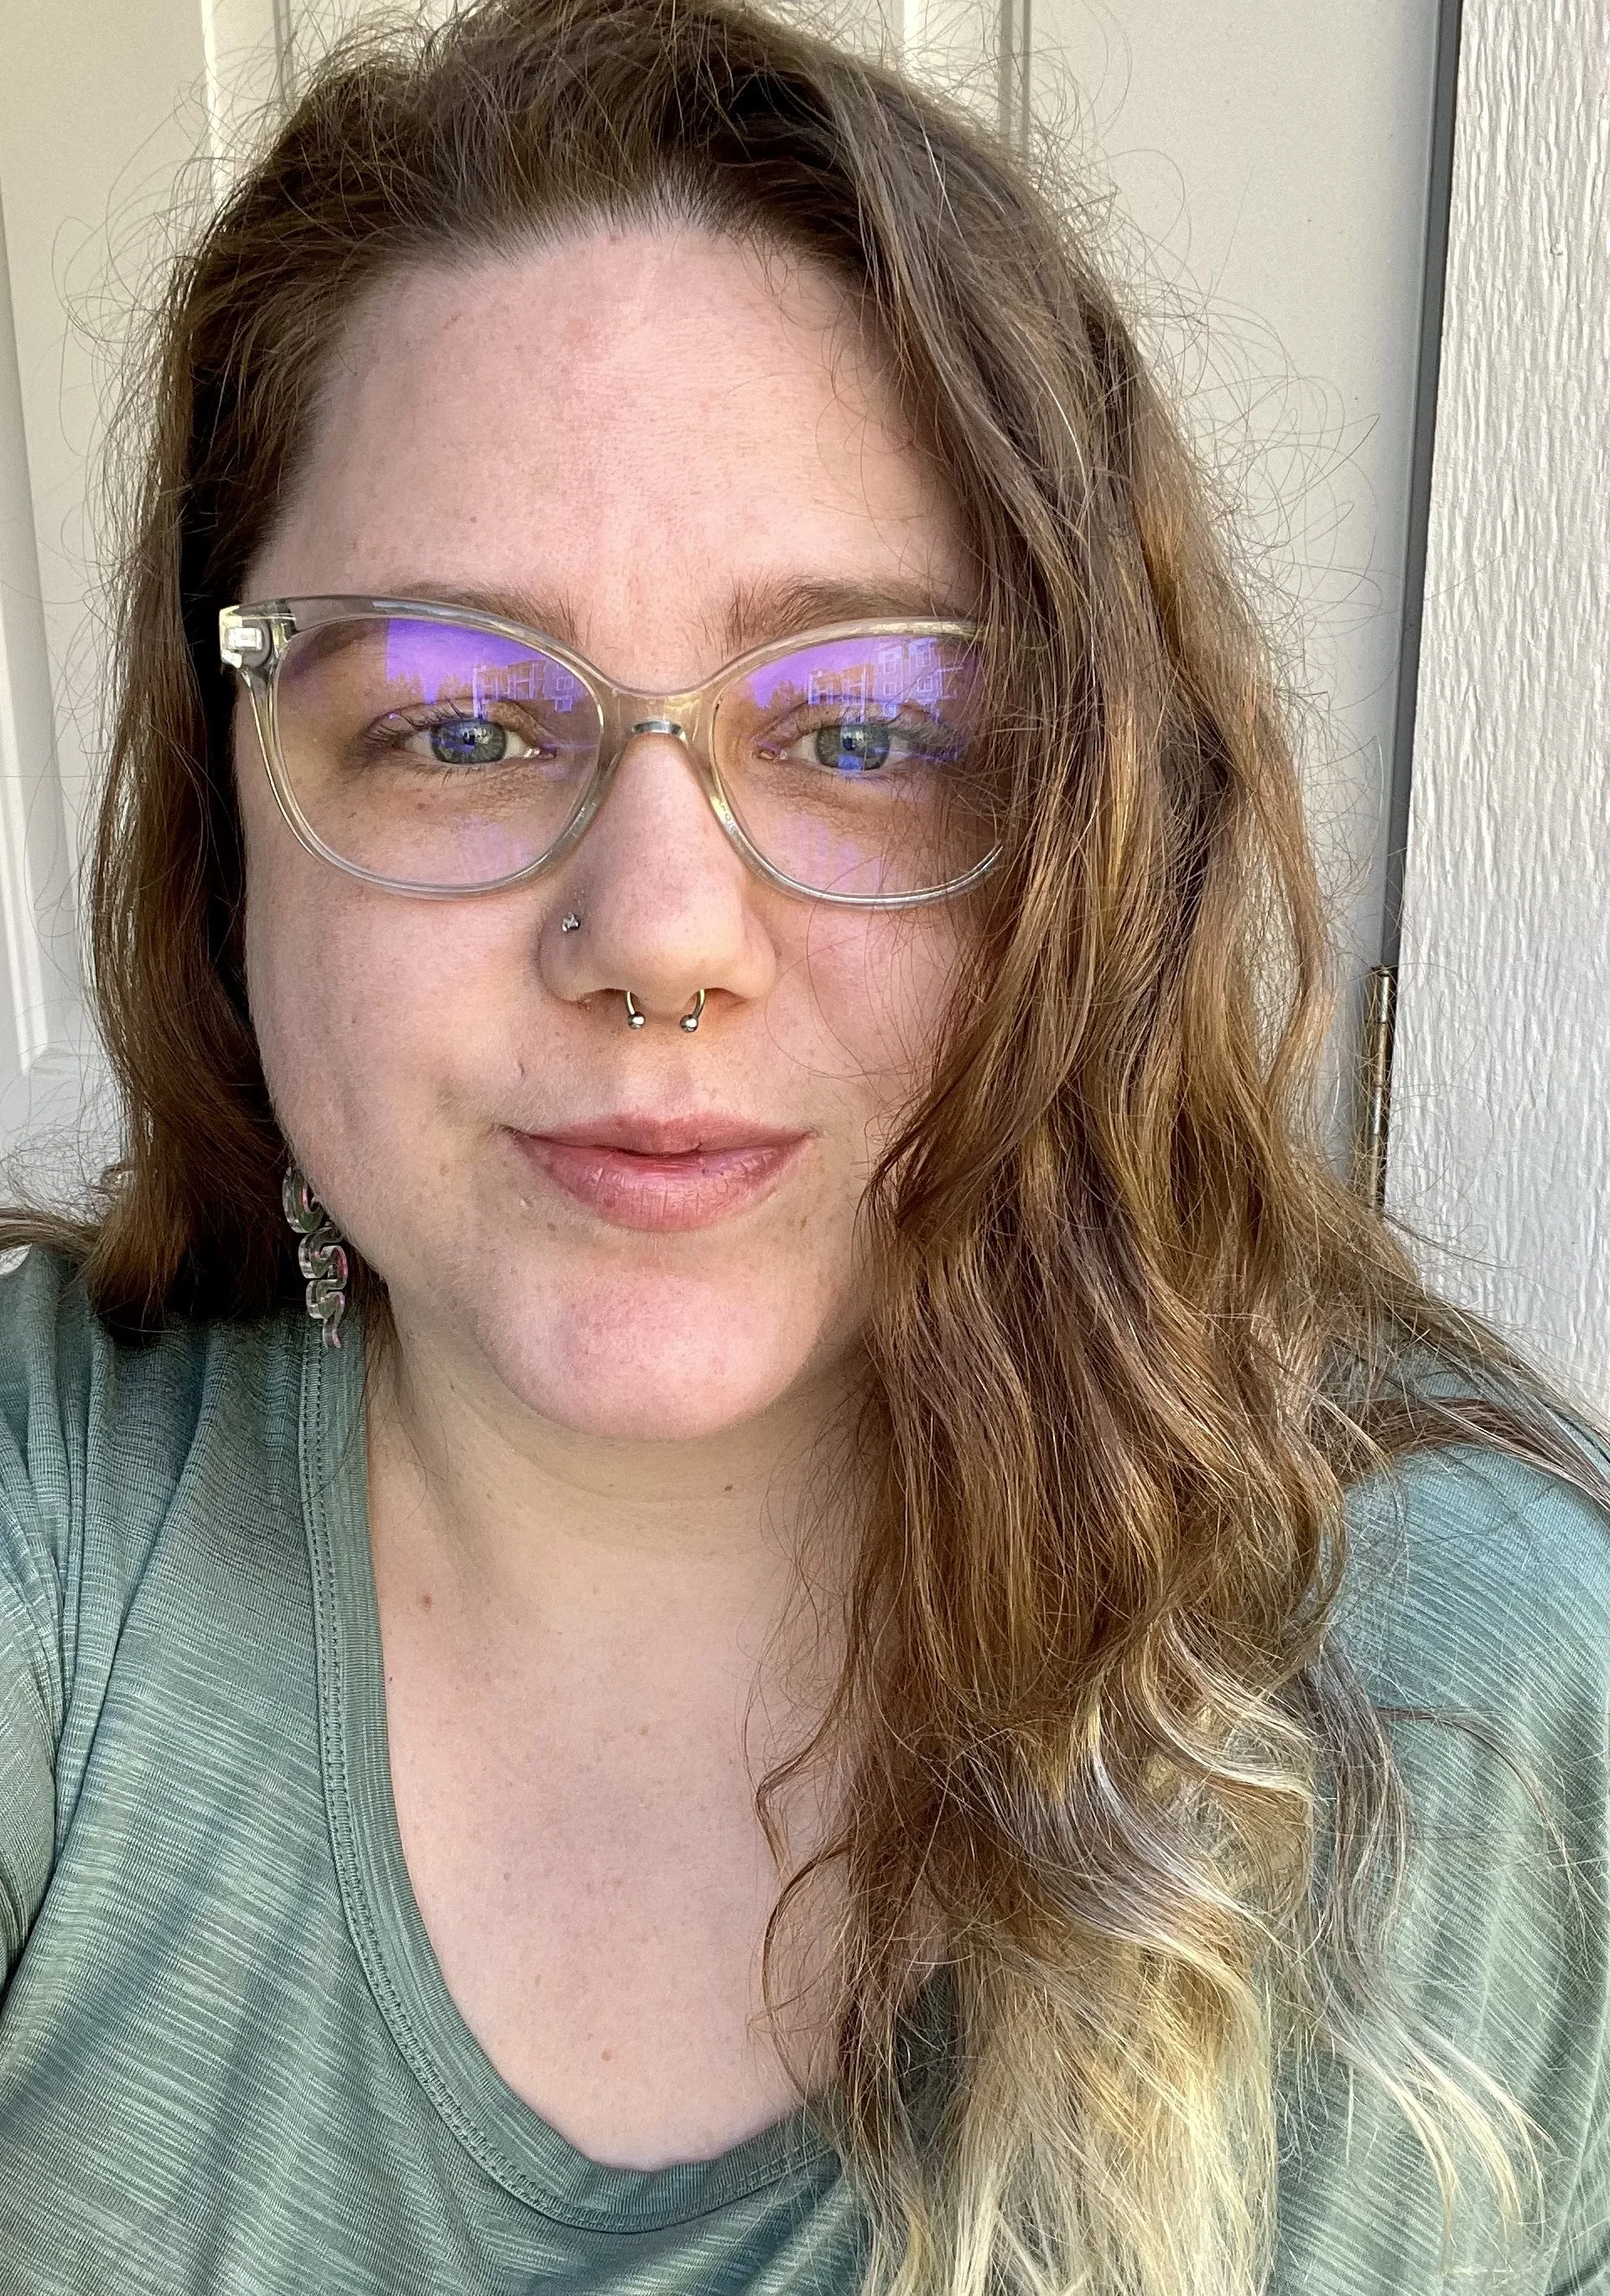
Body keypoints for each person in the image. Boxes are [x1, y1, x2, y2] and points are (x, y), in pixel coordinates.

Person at [2, 1, 1607, 2289]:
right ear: (226, 823)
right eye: (455, 716)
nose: (658, 934)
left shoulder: (1488, 1716)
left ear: (1093, 837)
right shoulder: (54, 1581)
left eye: (872, 724)